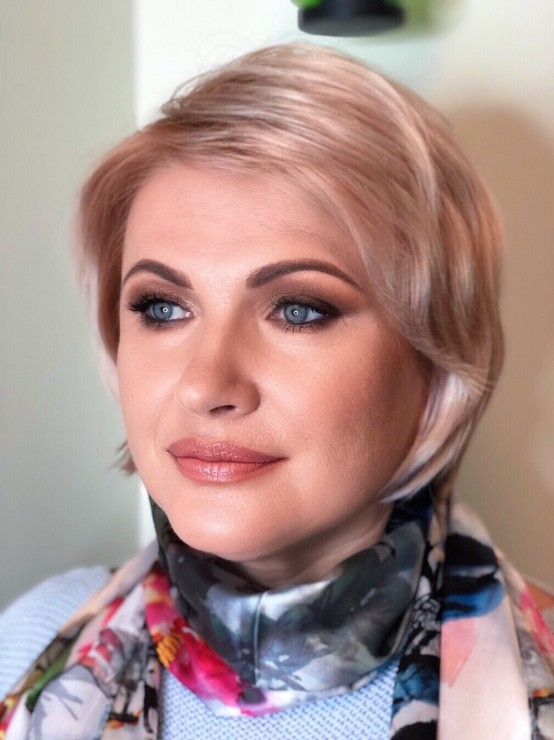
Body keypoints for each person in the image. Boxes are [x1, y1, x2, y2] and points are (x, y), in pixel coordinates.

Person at [0, 43, 553, 740]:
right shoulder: (25, 646)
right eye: (162, 308)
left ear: (434, 356)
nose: (206, 384)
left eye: (298, 310)